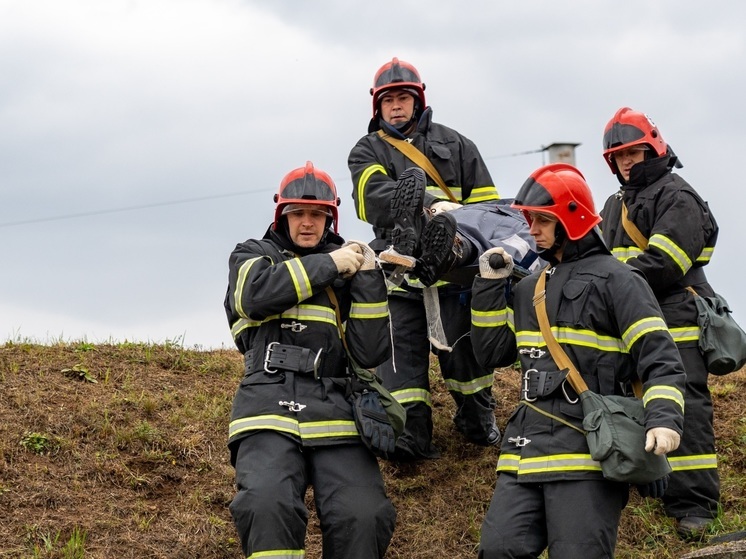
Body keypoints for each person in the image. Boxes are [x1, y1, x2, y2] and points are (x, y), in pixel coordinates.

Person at [471, 163, 686, 558]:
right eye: (529, 219)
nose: (531, 229)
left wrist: (663, 420)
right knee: (497, 550)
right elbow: (491, 355)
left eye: (540, 220)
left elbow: (659, 357)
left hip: (589, 456)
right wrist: (486, 288)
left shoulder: (620, 281)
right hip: (524, 454)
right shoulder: (527, 290)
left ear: (571, 220)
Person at [224, 162, 396, 558]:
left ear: (330, 218)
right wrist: (330, 265)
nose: (306, 223)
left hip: (335, 406)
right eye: (297, 213)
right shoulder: (253, 254)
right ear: (281, 215)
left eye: (316, 215)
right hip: (266, 404)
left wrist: (368, 278)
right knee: (266, 504)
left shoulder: (351, 269)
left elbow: (370, 353)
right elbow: (254, 296)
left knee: (365, 514)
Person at [348, 56, 502, 460]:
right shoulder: (367, 150)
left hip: (454, 271)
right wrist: (429, 208)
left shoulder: (459, 145)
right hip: (398, 269)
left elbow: (487, 208)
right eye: (388, 101)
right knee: (400, 358)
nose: (396, 106)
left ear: (418, 101)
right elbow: (370, 202)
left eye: (403, 98)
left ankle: (477, 419)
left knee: (464, 351)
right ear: (377, 107)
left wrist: (459, 230)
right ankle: (411, 434)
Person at [599, 107, 721, 538]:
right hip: (630, 320)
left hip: (676, 319)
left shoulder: (677, 196)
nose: (626, 162)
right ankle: (652, 485)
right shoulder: (616, 204)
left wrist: (605, 285)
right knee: (633, 400)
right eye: (618, 156)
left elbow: (665, 264)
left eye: (633, 152)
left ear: (653, 147)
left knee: (685, 406)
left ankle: (696, 507)